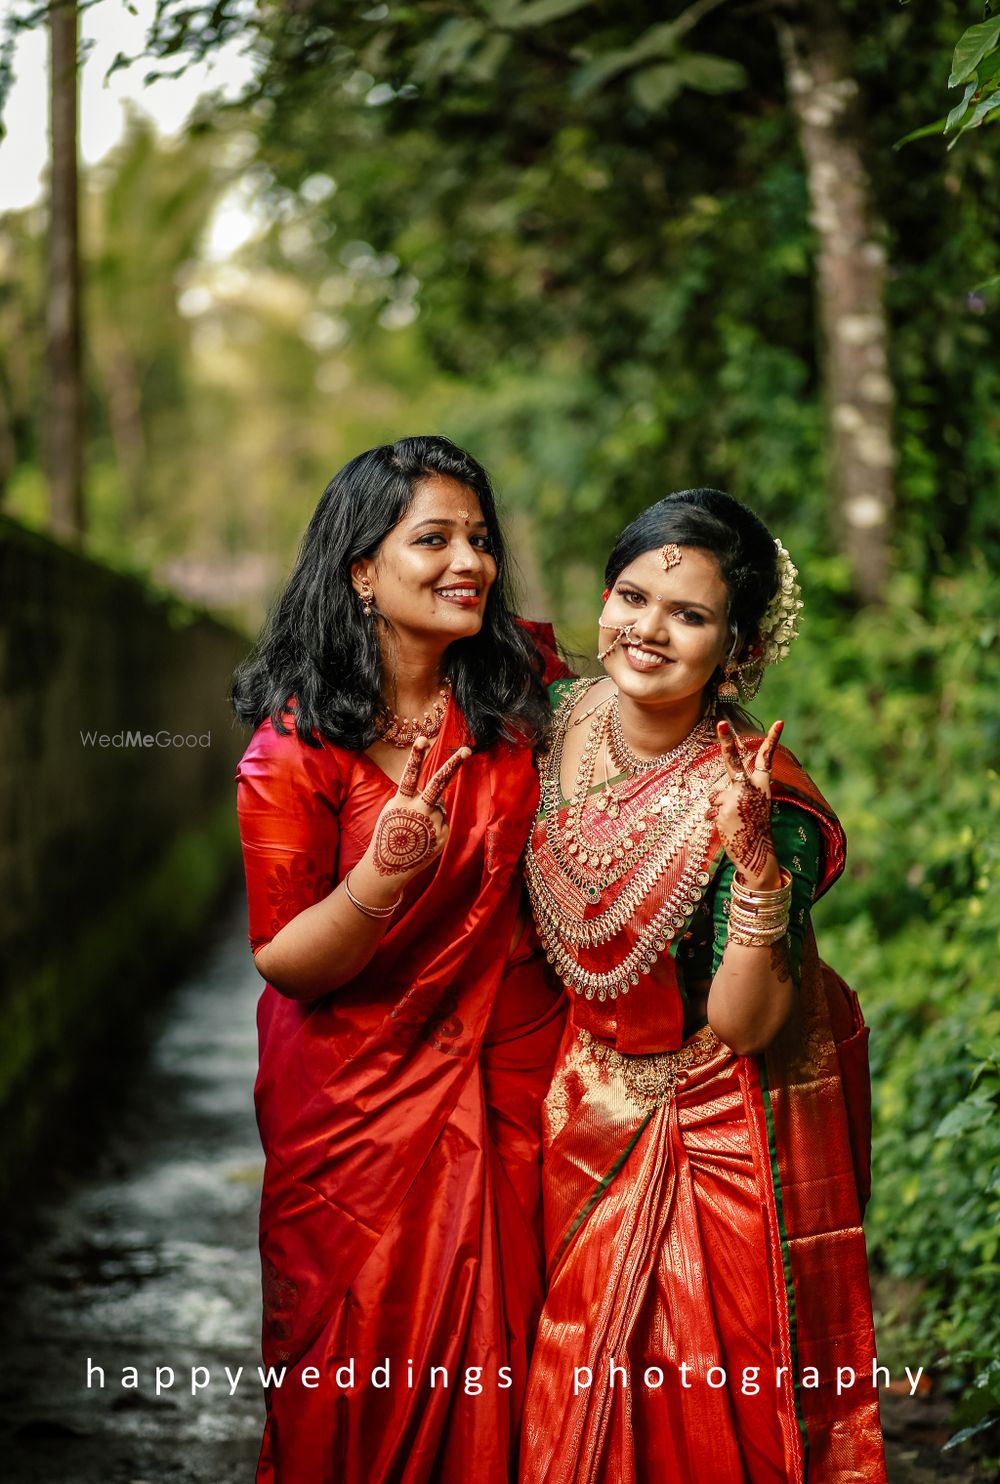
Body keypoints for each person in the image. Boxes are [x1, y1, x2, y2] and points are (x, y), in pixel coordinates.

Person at [519, 490, 886, 1484]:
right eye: (631, 596)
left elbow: (745, 1020)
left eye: (686, 616)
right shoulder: (557, 717)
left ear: (738, 649)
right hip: (572, 1104)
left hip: (708, 1126)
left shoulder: (766, 804)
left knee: (690, 1418)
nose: (646, 628)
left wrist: (755, 865)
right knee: (559, 1388)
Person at [232, 437, 568, 1484]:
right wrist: (380, 875)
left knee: (513, 1360)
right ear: (362, 573)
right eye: (433, 539)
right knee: (350, 1366)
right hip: (354, 1110)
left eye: (479, 538)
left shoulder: (523, 703)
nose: (469, 559)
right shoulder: (293, 751)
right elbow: (287, 961)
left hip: (511, 1085)